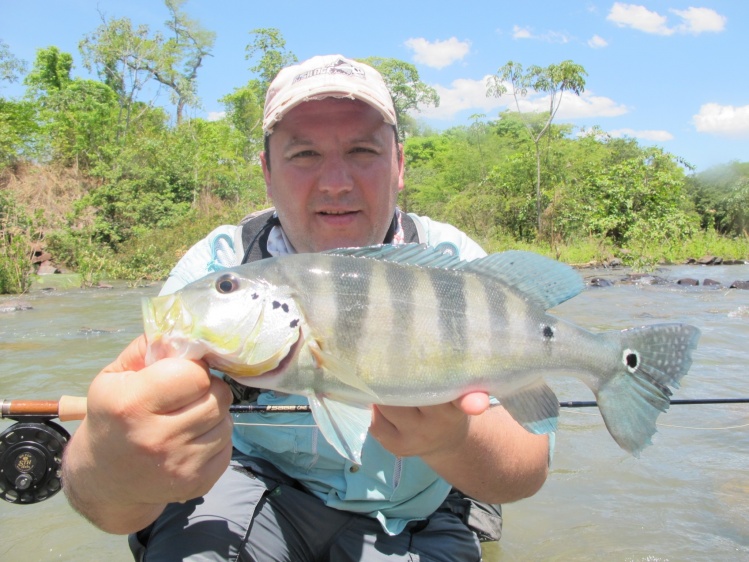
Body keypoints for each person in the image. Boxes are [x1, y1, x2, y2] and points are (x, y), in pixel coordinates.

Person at [62, 54, 551, 561]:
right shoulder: (217, 271)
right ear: (267, 172)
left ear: (399, 165)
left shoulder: (457, 271)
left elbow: (528, 468)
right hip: (254, 494)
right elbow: (108, 508)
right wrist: (109, 465)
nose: (335, 181)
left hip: (418, 512)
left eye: (363, 150)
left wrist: (452, 440)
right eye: (304, 154)